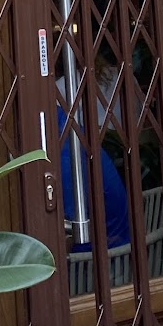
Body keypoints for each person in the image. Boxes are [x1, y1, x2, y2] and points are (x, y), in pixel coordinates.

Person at [57, 78, 131, 250]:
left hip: (100, 256)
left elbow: (68, 231)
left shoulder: (66, 151)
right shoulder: (71, 132)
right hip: (117, 246)